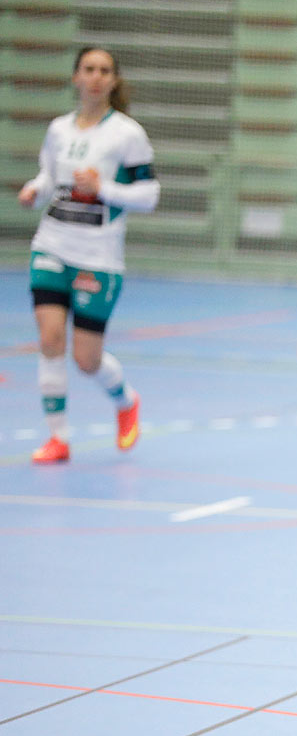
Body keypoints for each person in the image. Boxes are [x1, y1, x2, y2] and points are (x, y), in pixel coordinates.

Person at [17, 46, 158, 465]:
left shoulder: (127, 135)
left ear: (114, 81)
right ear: (76, 77)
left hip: (98, 258)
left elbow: (149, 196)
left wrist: (104, 190)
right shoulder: (59, 129)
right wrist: (34, 190)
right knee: (49, 339)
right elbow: (48, 176)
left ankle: (126, 401)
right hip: (52, 245)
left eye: (104, 71)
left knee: (86, 359)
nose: (96, 77)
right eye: (88, 69)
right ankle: (57, 438)